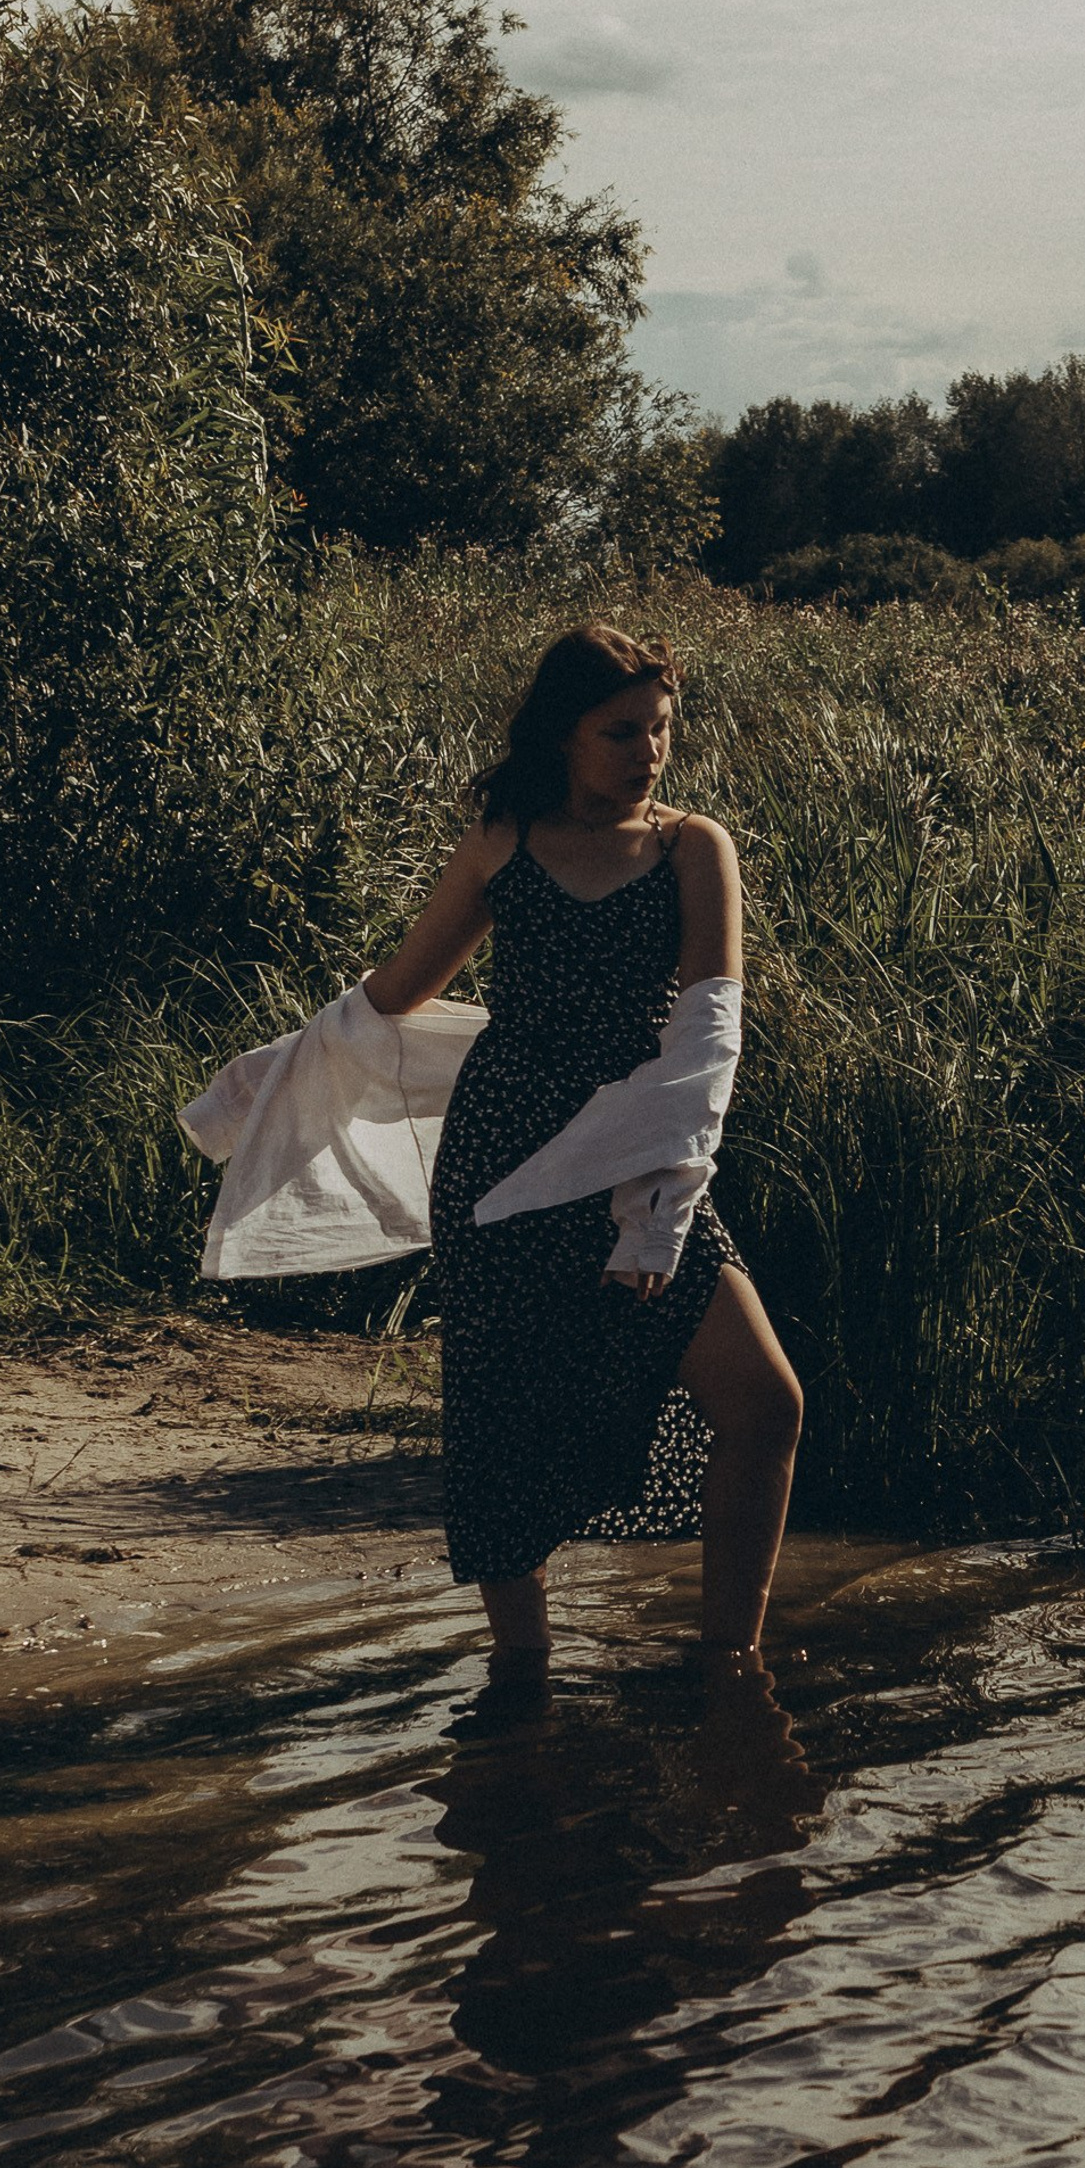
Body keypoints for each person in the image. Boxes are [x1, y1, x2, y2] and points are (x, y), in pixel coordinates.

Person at [362, 626, 804, 1673]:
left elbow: (707, 1041)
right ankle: (521, 1679)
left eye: (661, 728)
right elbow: (392, 998)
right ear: (563, 733)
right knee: (504, 1421)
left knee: (764, 1399)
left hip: (644, 1157)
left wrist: (655, 1216)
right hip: (504, 1165)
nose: (649, 750)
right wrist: (277, 1075)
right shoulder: (500, 846)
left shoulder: (690, 848)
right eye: (621, 730)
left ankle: (725, 1667)